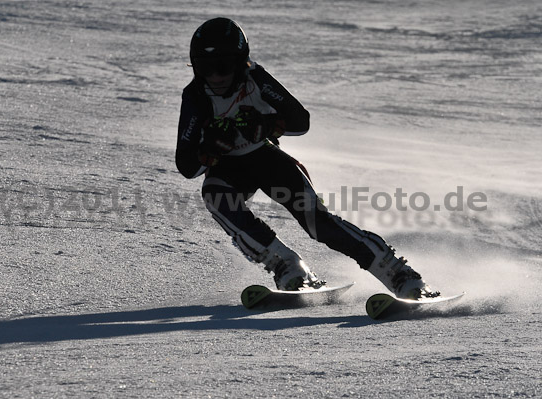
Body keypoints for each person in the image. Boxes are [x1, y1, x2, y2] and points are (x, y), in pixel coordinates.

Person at [176, 17, 439, 298]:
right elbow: (187, 165)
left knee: (318, 224)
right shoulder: (195, 97)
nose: (215, 76)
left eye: (223, 67)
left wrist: (266, 123)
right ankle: (286, 266)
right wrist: (212, 149)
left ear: (242, 62)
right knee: (215, 196)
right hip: (230, 170)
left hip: (267, 161)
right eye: (205, 68)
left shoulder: (257, 80)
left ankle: (398, 272)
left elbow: (300, 121)